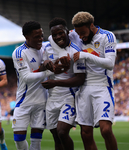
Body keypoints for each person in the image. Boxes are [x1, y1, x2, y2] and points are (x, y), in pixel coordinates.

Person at [70, 12, 118, 150]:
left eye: (83, 32)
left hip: (103, 86)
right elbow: (55, 36)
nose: (80, 36)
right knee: (85, 134)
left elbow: (109, 63)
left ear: (91, 25)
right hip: (83, 88)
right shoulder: (75, 34)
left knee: (106, 130)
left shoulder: (107, 36)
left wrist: (85, 55)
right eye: (78, 33)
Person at [41, 17, 86, 150]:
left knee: (62, 131)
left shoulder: (75, 51)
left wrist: (55, 82)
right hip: (52, 97)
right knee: (56, 136)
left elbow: (80, 78)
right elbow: (43, 66)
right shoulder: (48, 47)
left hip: (69, 97)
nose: (58, 36)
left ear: (67, 31)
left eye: (60, 33)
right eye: (54, 35)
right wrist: (46, 64)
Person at [12, 21, 54, 150]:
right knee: (19, 139)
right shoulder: (19, 53)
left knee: (36, 140)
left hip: (42, 101)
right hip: (24, 101)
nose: (41, 39)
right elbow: (26, 77)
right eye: (37, 37)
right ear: (27, 37)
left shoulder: (45, 47)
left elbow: (58, 39)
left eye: (41, 35)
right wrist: (49, 71)